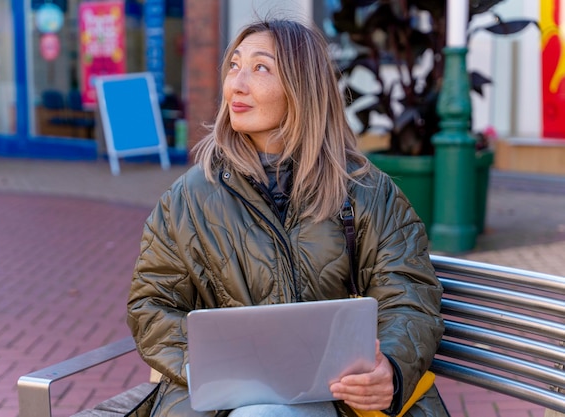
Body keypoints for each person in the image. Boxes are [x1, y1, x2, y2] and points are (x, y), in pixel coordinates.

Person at [127, 18, 449, 417]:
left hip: (338, 399)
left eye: (260, 68)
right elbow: (152, 304)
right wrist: (212, 366)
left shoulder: (367, 192)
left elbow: (409, 296)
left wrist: (390, 370)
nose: (237, 85)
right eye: (234, 65)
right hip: (217, 401)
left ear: (303, 88)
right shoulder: (187, 199)